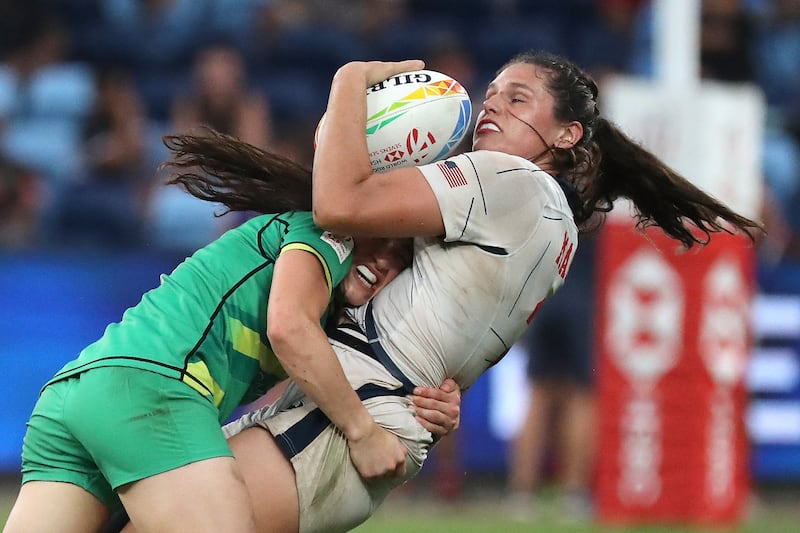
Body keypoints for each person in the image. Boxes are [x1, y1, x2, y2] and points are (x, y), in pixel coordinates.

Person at [167, 50, 762, 533]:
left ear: (567, 134)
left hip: (349, 420)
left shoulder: (506, 179)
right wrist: (443, 401)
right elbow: (445, 351)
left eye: (519, 99)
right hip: (373, 418)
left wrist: (350, 80)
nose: (491, 106)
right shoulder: (555, 230)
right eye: (494, 94)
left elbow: (337, 203)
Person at [2, 128, 462, 533]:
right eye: (383, 237)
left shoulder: (327, 304)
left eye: (404, 258)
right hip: (152, 393)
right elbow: (289, 329)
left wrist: (427, 403)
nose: (386, 260)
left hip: (77, 396)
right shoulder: (327, 235)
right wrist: (363, 433)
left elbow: (354, 367)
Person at [506, 237, 597, 522]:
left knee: (537, 394)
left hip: (545, 290)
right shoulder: (607, 197)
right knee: (581, 396)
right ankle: (574, 494)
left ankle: (522, 494)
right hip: (584, 294)